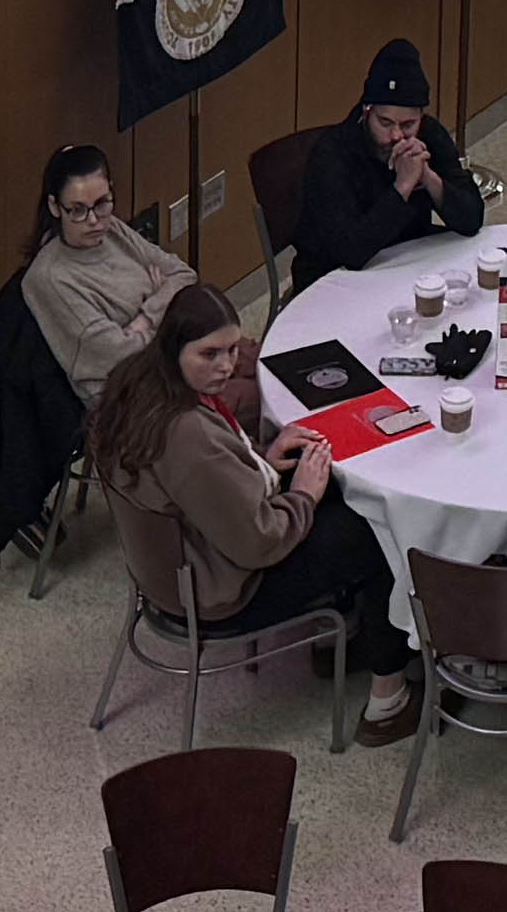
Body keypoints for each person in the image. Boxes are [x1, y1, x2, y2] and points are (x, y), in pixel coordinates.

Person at [95, 280, 417, 744]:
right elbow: (259, 541)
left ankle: (342, 637)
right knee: (375, 527)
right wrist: (302, 494)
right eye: (210, 354)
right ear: (174, 347)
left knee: (332, 495)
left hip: (170, 570)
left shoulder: (137, 384)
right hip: (219, 590)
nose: (226, 366)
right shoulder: (187, 432)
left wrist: (260, 460)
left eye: (231, 349)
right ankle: (388, 697)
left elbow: (198, 488)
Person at [294, 37, 484, 277]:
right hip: (334, 273)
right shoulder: (333, 154)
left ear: (421, 118)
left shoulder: (429, 135)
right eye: (385, 122)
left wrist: (427, 177)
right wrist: (403, 186)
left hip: (407, 257)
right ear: (367, 111)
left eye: (407, 125)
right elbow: (351, 252)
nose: (396, 136)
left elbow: (472, 219)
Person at [17, 141, 188, 394]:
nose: (94, 220)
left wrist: (145, 317)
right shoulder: (49, 278)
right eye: (77, 210)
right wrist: (164, 301)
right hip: (130, 400)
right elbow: (120, 356)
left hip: (171, 363)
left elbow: (184, 275)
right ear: (55, 207)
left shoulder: (112, 230)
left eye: (102, 204)